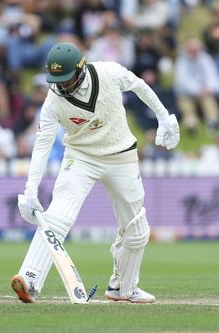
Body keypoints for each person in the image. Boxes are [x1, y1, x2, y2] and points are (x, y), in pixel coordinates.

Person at [10, 42, 179, 304]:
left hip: (121, 155)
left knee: (136, 229)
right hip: (81, 157)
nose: (62, 86)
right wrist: (30, 189)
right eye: (58, 81)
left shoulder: (108, 73)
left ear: (81, 69)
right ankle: (29, 279)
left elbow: (139, 86)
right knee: (58, 216)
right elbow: (42, 142)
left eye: (66, 80)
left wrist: (163, 117)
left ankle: (123, 288)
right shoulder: (53, 101)